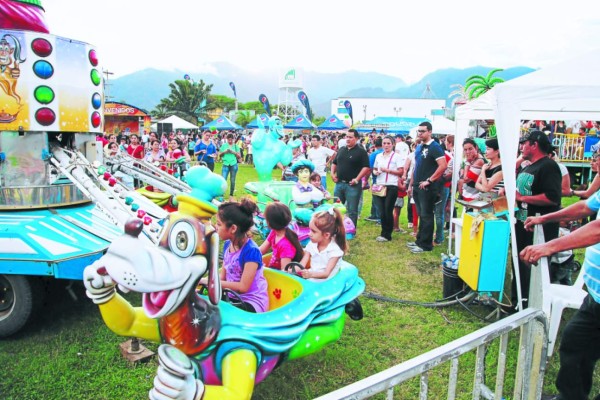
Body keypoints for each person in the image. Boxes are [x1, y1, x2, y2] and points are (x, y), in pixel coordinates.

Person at [519, 190, 600, 400]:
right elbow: (585, 207)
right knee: (576, 344)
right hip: (595, 296)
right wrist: (546, 218)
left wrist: (549, 246)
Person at [513, 130, 562, 310]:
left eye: (524, 143)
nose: (521, 147)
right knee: (521, 263)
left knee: (534, 267)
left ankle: (534, 305)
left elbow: (552, 197)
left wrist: (522, 198)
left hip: (539, 229)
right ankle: (520, 299)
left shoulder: (548, 166)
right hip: (522, 223)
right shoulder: (528, 165)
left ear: (534, 144)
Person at [208, 199, 269, 313]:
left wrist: (210, 282)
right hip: (231, 297)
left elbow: (243, 287)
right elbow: (222, 278)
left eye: (219, 224)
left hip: (251, 302)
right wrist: (211, 283)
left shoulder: (251, 252)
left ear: (233, 228)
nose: (216, 226)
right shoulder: (228, 245)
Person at [406, 122, 447, 253]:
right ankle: (419, 241)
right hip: (417, 185)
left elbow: (443, 165)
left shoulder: (435, 147)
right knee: (421, 214)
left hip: (428, 187)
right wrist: (411, 184)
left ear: (430, 131)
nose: (420, 133)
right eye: (419, 131)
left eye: (422, 131)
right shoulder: (419, 147)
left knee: (427, 215)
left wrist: (430, 180)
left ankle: (426, 245)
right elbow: (416, 167)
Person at [331, 129, 371, 228]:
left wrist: (357, 179)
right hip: (339, 184)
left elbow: (366, 167)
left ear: (356, 138)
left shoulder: (361, 152)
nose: (347, 139)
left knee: (352, 210)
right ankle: (337, 228)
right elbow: (334, 163)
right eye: (347, 137)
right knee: (336, 208)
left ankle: (351, 230)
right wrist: (332, 174)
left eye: (350, 137)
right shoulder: (341, 149)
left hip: (352, 185)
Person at [297, 208, 347, 281]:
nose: (309, 234)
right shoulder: (312, 244)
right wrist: (292, 270)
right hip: (313, 277)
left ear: (326, 235)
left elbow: (326, 274)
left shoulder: (334, 251)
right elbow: (302, 263)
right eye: (310, 230)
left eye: (313, 231)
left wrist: (310, 274)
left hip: (326, 281)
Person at [372, 135, 403, 242]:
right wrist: (376, 172)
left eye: (388, 143)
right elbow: (375, 168)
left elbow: (401, 171)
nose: (386, 145)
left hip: (391, 185)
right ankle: (383, 231)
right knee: (381, 211)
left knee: (387, 210)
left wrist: (388, 170)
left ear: (393, 144)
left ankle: (387, 234)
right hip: (380, 185)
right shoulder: (379, 156)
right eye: (384, 143)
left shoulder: (397, 156)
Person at [259, 202, 304, 271]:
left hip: (279, 276)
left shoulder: (285, 245)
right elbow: (261, 250)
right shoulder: (274, 232)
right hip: (273, 270)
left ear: (269, 223)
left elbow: (285, 271)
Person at [365, 137, 383, 223]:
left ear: (375, 145)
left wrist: (366, 180)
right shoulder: (386, 153)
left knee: (377, 197)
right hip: (385, 178)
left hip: (377, 178)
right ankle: (374, 215)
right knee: (377, 197)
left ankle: (378, 217)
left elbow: (369, 168)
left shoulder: (374, 154)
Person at [219, 133, 241, 198]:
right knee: (223, 180)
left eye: (231, 140)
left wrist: (233, 152)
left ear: (233, 139)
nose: (230, 141)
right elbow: (220, 155)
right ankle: (221, 195)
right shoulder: (224, 146)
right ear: (227, 139)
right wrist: (224, 152)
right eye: (229, 140)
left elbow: (239, 156)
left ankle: (231, 194)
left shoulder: (236, 146)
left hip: (233, 164)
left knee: (232, 180)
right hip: (225, 164)